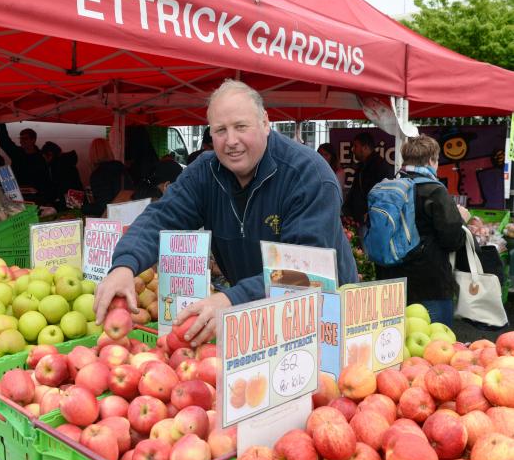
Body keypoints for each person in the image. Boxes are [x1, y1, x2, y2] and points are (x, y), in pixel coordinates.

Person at [94, 79, 358, 345]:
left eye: (241, 126)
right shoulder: (204, 172)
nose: (231, 141)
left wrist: (233, 299)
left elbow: (305, 270)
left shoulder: (308, 175)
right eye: (220, 130)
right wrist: (125, 265)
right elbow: (161, 216)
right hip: (252, 317)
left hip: (324, 319)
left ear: (265, 123)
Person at [376, 134, 466, 327]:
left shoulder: (388, 187)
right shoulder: (434, 191)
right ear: (431, 160)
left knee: (393, 345)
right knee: (435, 342)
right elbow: (452, 240)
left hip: (389, 280)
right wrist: (462, 220)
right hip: (429, 283)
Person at [343, 131, 394, 226]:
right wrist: (348, 210)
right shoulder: (362, 166)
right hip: (360, 219)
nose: (353, 150)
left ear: (365, 147)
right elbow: (355, 190)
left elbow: (383, 195)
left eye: (355, 146)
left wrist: (369, 214)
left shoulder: (380, 166)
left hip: (371, 221)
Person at [0, 124, 51, 201]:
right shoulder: (17, 153)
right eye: (21, 139)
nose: (21, 141)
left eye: (25, 139)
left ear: (33, 140)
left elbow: (46, 180)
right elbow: (4, 142)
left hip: (35, 198)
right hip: (16, 196)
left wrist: (46, 198)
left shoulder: (41, 158)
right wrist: (0, 123)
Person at [83, 138, 131, 217]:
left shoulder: (99, 174)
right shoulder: (122, 169)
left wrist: (80, 207)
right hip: (127, 214)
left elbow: (102, 207)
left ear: (93, 154)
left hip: (111, 221)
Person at [41, 142, 83, 207]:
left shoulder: (57, 166)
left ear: (50, 155)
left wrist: (50, 202)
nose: (45, 160)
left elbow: (57, 188)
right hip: (76, 201)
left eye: (45, 157)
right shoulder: (67, 163)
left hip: (68, 204)